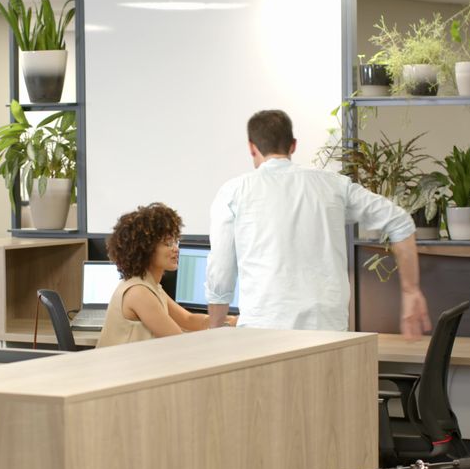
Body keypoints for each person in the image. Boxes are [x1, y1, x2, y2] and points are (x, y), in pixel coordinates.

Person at [206, 109, 431, 339]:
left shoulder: (233, 192)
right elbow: (400, 222)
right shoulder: (334, 185)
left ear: (252, 147)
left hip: (262, 329)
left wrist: (215, 330)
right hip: (326, 331)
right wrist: (411, 290)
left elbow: (221, 271)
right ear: (293, 145)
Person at [98, 202, 235, 348]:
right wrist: (226, 326)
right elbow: (179, 342)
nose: (176, 249)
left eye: (175, 242)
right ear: (146, 249)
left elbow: (188, 319)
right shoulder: (139, 292)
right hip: (121, 370)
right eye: (168, 244)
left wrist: (230, 320)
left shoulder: (151, 286)